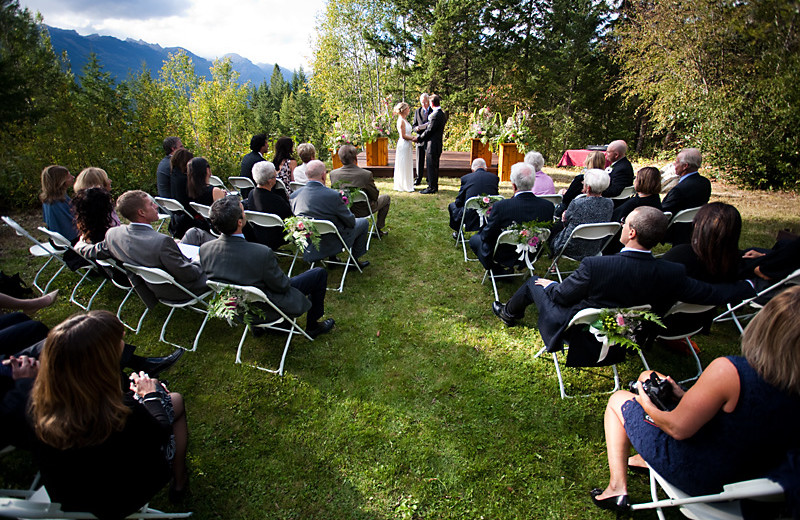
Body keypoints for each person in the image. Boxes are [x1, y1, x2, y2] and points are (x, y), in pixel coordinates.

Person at [590, 286, 800, 513]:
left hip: (701, 473)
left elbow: (676, 428)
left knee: (619, 399)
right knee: (650, 378)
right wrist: (685, 396)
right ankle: (643, 459)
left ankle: (616, 489)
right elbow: (747, 417)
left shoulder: (732, 373)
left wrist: (645, 403)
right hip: (755, 477)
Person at [491, 207, 756, 366]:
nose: (622, 224)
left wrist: (548, 285)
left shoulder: (597, 267)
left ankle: (508, 313)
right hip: (631, 331)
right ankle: (510, 311)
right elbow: (711, 293)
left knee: (534, 283)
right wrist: (747, 285)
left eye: (625, 222)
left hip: (580, 328)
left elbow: (561, 296)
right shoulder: (672, 272)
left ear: (631, 233)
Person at [30, 311, 189, 518]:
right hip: (117, 497)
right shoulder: (114, 413)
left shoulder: (41, 405)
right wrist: (150, 395)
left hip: (71, 500)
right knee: (175, 401)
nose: (123, 341)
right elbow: (160, 430)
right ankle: (179, 482)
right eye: (118, 342)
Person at [200, 197, 335, 338]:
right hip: (270, 306)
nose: (245, 213)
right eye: (243, 211)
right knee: (319, 274)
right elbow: (282, 286)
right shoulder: (261, 253)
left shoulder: (205, 250)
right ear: (239, 222)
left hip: (239, 309)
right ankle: (313, 326)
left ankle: (256, 327)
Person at [75, 190, 210, 308]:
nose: (156, 206)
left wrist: (79, 244)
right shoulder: (161, 243)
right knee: (212, 256)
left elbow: (91, 251)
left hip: (159, 282)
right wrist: (200, 257)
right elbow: (189, 275)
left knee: (194, 232)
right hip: (181, 288)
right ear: (141, 213)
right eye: (151, 204)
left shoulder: (114, 235)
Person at [469, 162, 555, 273]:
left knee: (475, 240)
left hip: (502, 254)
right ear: (533, 183)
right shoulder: (548, 207)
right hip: (532, 253)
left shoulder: (501, 206)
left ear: (513, 185)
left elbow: (488, 235)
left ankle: (497, 271)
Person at [290, 160, 370, 268]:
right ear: (323, 175)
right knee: (363, 222)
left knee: (331, 222)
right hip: (333, 240)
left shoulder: (294, 196)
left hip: (308, 241)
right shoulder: (333, 196)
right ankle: (354, 261)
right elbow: (350, 222)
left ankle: (333, 259)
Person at [549, 168, 614, 260]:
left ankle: (554, 261)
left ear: (588, 188)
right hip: (594, 248)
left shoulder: (577, 203)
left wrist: (564, 217)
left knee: (556, 227)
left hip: (570, 248)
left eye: (584, 183)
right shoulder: (609, 203)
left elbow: (566, 221)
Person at [330, 144, 391, 235]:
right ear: (355, 158)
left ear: (340, 159)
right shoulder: (365, 174)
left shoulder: (333, 174)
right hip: (363, 210)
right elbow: (374, 196)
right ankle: (378, 229)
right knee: (386, 198)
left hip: (344, 210)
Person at [603, 166, 663, 255]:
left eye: (636, 178)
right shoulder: (656, 201)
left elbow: (614, 219)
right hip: (644, 240)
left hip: (617, 243)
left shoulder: (635, 204)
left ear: (640, 181)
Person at [661, 147, 712, 244]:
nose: (674, 164)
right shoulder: (705, 183)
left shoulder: (679, 190)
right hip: (695, 227)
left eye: (676, 162)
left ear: (685, 166)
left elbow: (664, 213)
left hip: (675, 230)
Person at [246, 161, 293, 250]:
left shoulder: (251, 194)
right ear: (270, 181)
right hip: (276, 237)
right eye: (275, 176)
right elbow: (290, 218)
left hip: (258, 233)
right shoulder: (276, 200)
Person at [448, 158, 499, 233]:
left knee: (452, 206)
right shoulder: (494, 178)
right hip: (490, 214)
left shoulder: (466, 178)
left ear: (472, 169)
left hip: (470, 215)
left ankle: (458, 232)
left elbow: (459, 202)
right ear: (486, 168)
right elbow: (496, 197)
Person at [557, 150, 606, 218]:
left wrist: (565, 193)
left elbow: (567, 199)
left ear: (588, 162)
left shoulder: (581, 179)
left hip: (575, 213)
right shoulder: (606, 180)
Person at [416, 94, 448, 194]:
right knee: (434, 166)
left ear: (432, 103)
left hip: (432, 145)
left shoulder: (435, 115)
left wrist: (419, 138)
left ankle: (431, 187)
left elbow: (429, 130)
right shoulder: (441, 114)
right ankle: (434, 185)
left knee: (431, 166)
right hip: (436, 144)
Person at [40, 164, 77, 242]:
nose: (72, 177)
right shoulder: (58, 202)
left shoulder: (49, 199)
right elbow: (72, 227)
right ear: (60, 181)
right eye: (68, 176)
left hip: (56, 240)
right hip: (67, 242)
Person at [392, 101, 417, 192]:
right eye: (407, 109)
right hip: (403, 144)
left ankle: (408, 183)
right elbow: (403, 135)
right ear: (403, 110)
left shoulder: (405, 120)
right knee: (403, 163)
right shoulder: (401, 121)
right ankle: (402, 184)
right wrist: (413, 138)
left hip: (408, 144)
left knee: (407, 163)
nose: (409, 110)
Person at [412, 93, 431, 185]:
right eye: (422, 103)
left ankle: (429, 178)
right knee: (419, 160)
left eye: (425, 102)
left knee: (429, 160)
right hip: (419, 140)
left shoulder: (433, 111)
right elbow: (414, 125)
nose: (424, 104)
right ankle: (418, 178)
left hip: (429, 139)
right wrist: (416, 128)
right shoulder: (418, 111)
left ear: (429, 101)